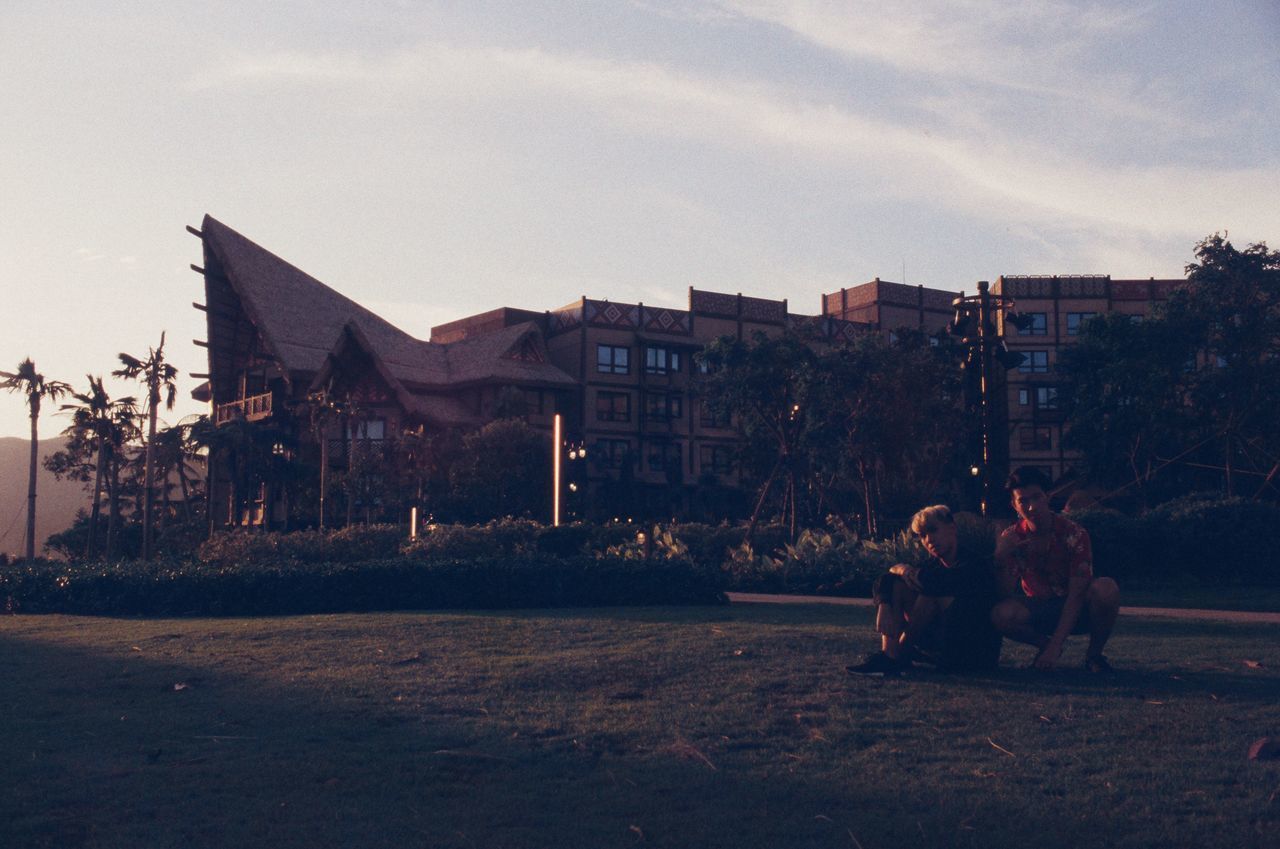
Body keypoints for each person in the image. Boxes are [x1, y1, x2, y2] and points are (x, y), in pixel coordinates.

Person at [990, 466, 1120, 672]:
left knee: (1106, 589)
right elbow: (1003, 593)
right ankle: (1043, 647)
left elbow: (1077, 594)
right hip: (1040, 607)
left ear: (1048, 497)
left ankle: (1094, 656)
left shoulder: (1073, 533)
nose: (1031, 507)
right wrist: (1000, 557)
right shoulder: (1012, 537)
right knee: (1000, 614)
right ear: (1014, 505)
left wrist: (1056, 643)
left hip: (1077, 609)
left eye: (1037, 497)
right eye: (1023, 500)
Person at [848, 505, 1001, 676]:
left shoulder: (974, 564)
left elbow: (937, 582)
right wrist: (884, 604)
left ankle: (897, 655)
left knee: (931, 594)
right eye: (922, 535)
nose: (929, 539)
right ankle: (890, 654)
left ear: (952, 528)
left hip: (973, 651)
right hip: (940, 644)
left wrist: (906, 571)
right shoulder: (933, 565)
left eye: (933, 530)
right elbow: (886, 580)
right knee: (898, 585)